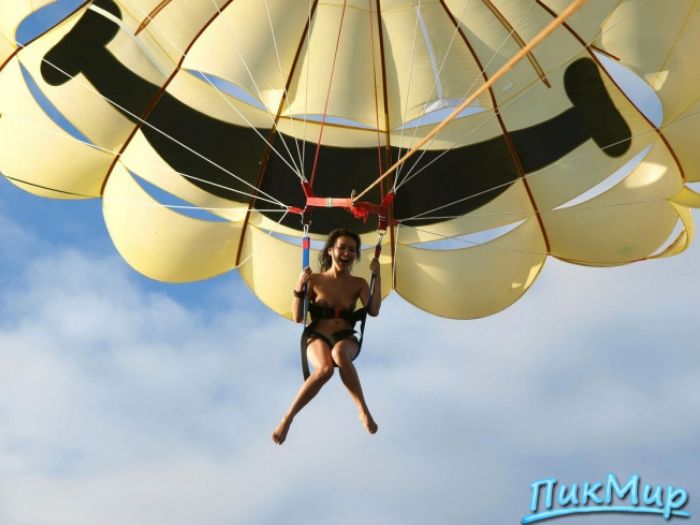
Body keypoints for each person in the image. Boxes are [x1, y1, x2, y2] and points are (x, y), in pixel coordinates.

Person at [272, 228, 381, 445]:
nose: (347, 253)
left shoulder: (359, 283)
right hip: (318, 335)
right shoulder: (315, 280)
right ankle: (288, 418)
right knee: (324, 369)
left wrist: (377, 276)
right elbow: (298, 317)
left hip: (345, 337)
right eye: (342, 248)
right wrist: (299, 285)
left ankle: (362, 409)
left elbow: (374, 310)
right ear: (331, 250)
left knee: (339, 354)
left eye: (352, 250)